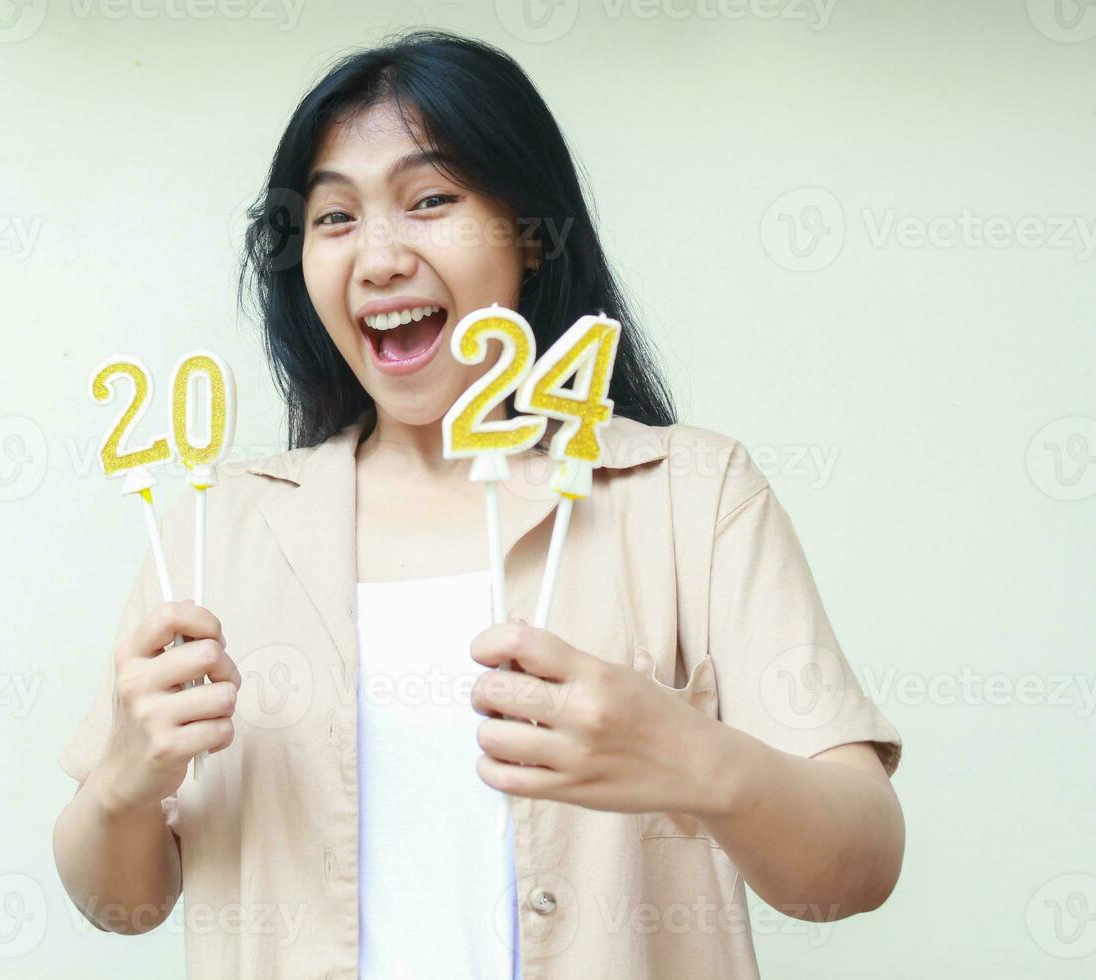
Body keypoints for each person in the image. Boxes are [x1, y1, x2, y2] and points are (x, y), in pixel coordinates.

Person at [53, 29, 904, 979]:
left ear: (529, 237)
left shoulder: (693, 498)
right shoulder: (220, 531)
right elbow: (117, 902)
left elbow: (857, 867)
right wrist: (126, 782)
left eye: (430, 201)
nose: (377, 258)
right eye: (333, 218)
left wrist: (688, 758)